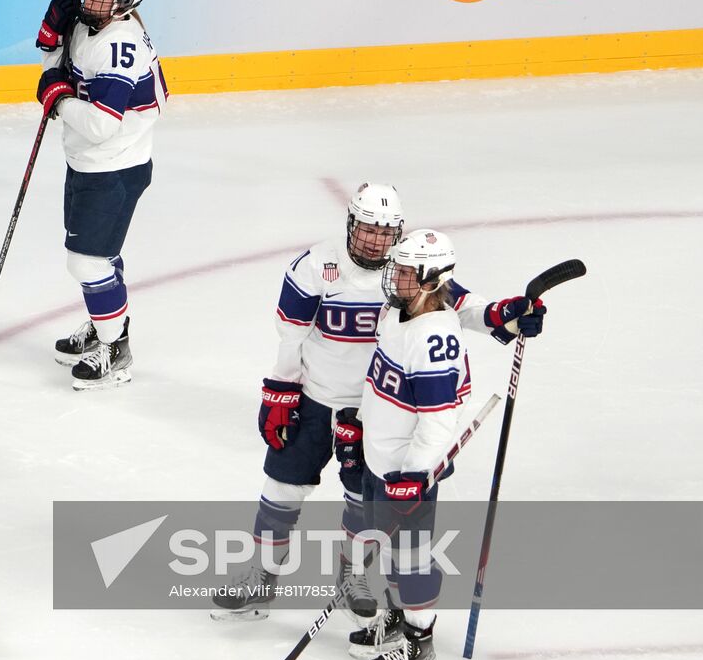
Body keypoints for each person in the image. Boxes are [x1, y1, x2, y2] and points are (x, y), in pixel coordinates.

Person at [210, 185, 547, 624]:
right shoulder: (315, 266)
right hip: (314, 400)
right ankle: (261, 575)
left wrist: (505, 313)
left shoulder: (407, 269)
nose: (375, 240)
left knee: (361, 503)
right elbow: (290, 337)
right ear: (351, 224)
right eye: (367, 228)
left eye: (385, 231)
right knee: (281, 489)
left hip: (374, 412)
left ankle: (353, 577)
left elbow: (456, 306)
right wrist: (279, 391)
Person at [354, 229, 543, 660]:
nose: (392, 278)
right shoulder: (399, 309)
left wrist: (416, 475)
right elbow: (380, 383)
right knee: (390, 548)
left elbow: (438, 421)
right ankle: (397, 617)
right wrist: (356, 424)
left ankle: (420, 646)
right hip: (380, 458)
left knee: (412, 559)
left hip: (406, 468)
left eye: (402, 272)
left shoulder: (435, 338)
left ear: (429, 279)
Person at [36, 0, 167, 390]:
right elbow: (58, 72)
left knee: (86, 262)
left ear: (125, 2)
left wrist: (58, 99)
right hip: (90, 162)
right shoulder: (90, 24)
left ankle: (117, 351)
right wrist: (52, 38)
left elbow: (99, 125)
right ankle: (103, 322)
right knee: (99, 257)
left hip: (114, 167)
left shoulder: (119, 47)